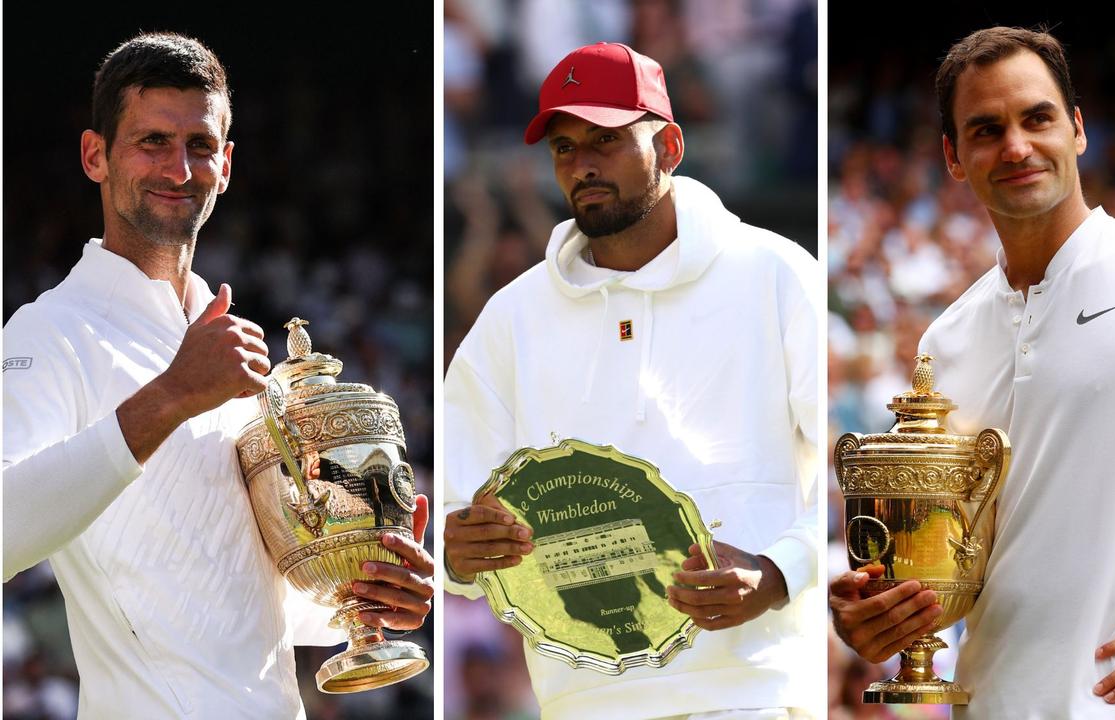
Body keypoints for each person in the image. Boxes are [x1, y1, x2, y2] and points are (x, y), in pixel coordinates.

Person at [829, 26, 1115, 720]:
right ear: (953, 157)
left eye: (1036, 118)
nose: (1015, 146)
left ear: (1076, 130)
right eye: (985, 130)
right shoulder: (945, 340)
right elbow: (950, 565)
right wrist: (872, 614)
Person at [1, 32, 433, 718]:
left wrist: (363, 590)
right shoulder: (51, 333)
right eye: (151, 142)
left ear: (225, 165)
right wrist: (172, 396)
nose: (178, 167)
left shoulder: (229, 341)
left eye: (199, 146)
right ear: (95, 156)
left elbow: (242, 606)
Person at [442, 42, 822, 719]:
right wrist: (462, 552)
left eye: (606, 141)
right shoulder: (512, 317)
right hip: (581, 700)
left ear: (670, 145)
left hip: (750, 691)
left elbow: (849, 475)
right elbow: (450, 519)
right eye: (563, 148)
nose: (581, 165)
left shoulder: (777, 274)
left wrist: (777, 572)